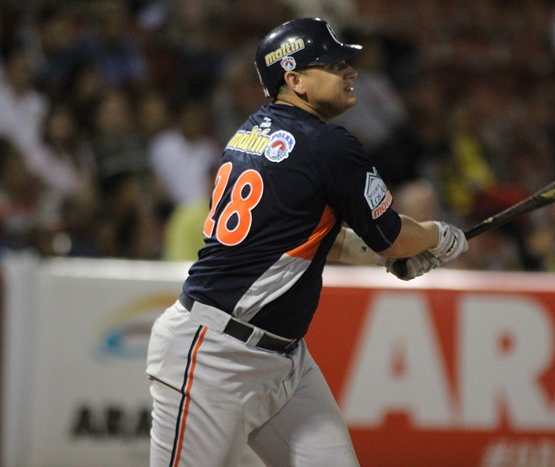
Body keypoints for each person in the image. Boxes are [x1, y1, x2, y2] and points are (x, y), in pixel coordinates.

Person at [145, 17, 468, 467]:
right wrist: (439, 236)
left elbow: (315, 238)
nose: (350, 70)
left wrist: (384, 257)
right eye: (333, 64)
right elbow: (393, 234)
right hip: (213, 355)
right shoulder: (327, 145)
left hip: (284, 362)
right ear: (294, 80)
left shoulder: (252, 130)